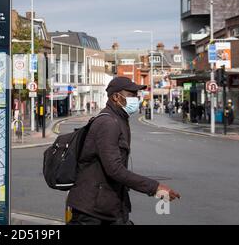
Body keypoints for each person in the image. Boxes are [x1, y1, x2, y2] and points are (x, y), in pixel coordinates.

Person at [66, 77, 180, 225]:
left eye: (136, 95)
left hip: (107, 207)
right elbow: (114, 169)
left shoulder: (118, 119)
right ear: (116, 97)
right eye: (131, 95)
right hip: (92, 211)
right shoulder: (108, 123)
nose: (136, 99)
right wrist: (154, 187)